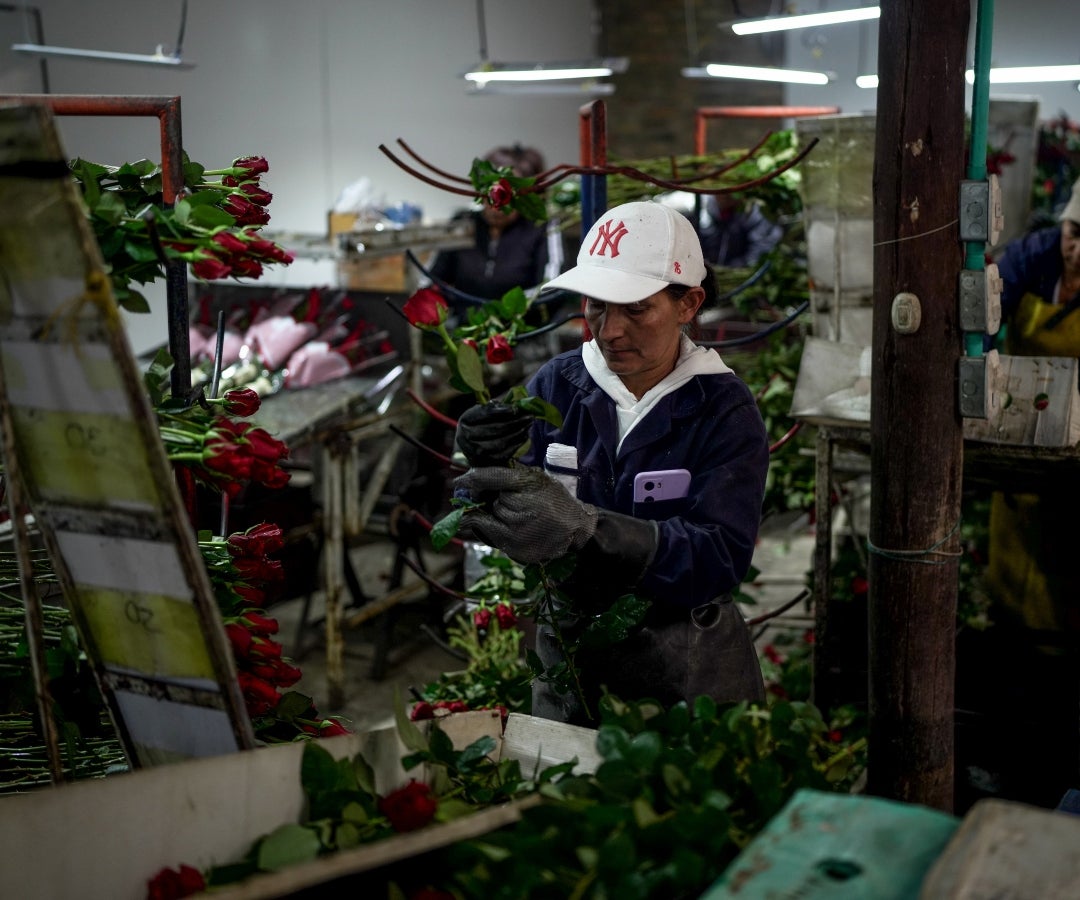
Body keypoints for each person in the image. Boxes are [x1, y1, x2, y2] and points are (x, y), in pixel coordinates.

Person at [452, 200, 771, 725]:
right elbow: (478, 511)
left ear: (688, 304)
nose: (609, 330)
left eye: (636, 309)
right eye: (596, 306)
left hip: (681, 670)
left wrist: (590, 531)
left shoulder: (722, 409)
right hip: (569, 667)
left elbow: (718, 557)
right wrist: (481, 461)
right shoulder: (558, 386)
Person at [428, 144, 553, 303]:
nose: (496, 207)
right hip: (465, 323)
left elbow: (551, 289)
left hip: (524, 325)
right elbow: (433, 280)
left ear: (528, 197)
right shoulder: (463, 221)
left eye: (507, 197)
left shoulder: (542, 228)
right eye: (489, 193)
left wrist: (503, 312)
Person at [699, 192, 783, 269]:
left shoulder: (758, 214)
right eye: (719, 191)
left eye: (729, 191)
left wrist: (734, 268)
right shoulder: (709, 207)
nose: (724, 195)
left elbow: (759, 253)